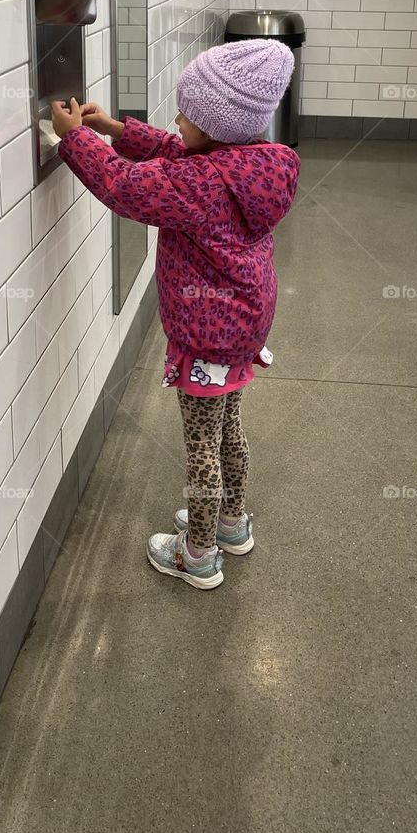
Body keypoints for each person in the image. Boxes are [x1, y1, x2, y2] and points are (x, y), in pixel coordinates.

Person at [50, 38, 300, 590]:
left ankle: (199, 553)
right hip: (244, 326)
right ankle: (232, 524)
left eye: (188, 112)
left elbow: (125, 187)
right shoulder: (254, 162)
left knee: (201, 448)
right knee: (229, 428)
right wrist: (116, 130)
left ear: (216, 125)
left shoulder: (202, 182)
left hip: (207, 337)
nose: (178, 119)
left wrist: (76, 141)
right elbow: (173, 148)